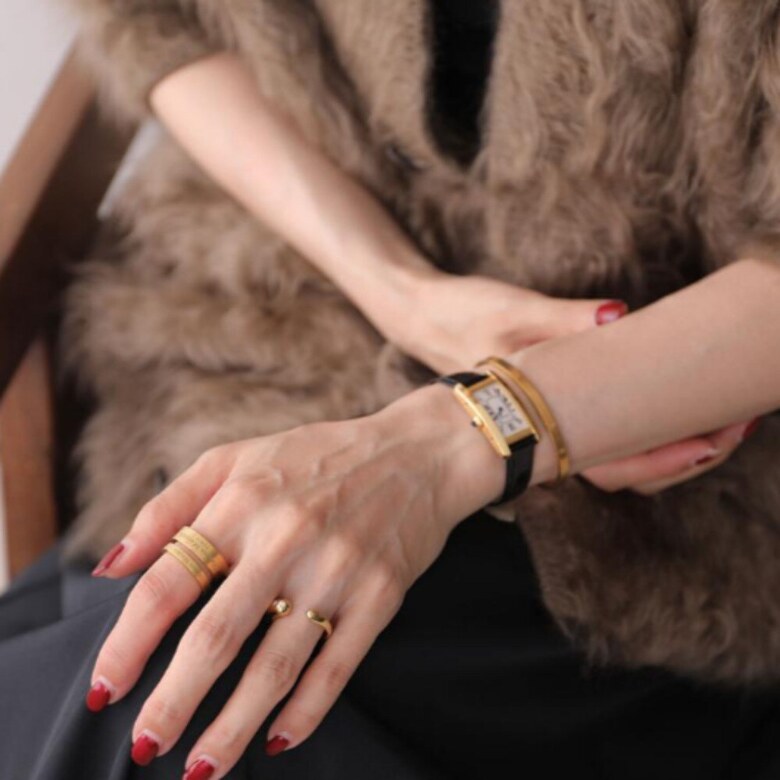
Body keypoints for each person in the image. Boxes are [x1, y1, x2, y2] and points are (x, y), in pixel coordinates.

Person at [2, 2, 780, 778]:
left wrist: (474, 430)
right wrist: (406, 296)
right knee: (127, 666)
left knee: (168, 702)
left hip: (655, 514)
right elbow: (158, 17)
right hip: (275, 337)